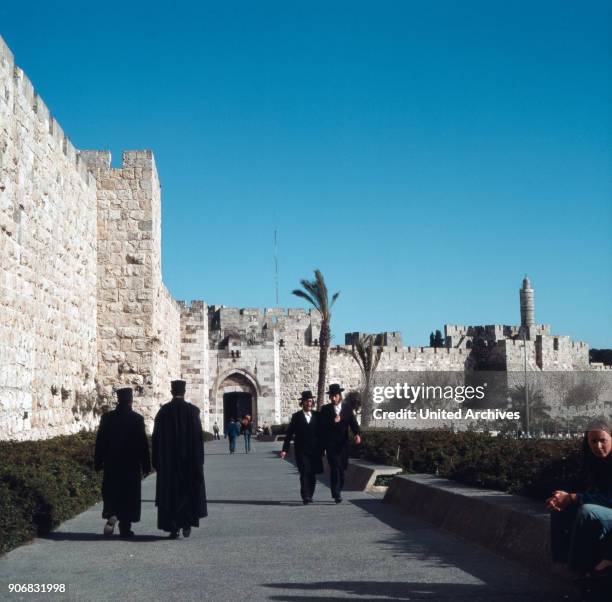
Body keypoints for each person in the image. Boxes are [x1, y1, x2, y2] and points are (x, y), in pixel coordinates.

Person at [547, 419, 612, 576]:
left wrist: (574, 497)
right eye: (593, 441)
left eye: (603, 440)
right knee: (559, 508)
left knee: (587, 511)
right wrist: (559, 498)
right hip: (605, 508)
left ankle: (580, 570)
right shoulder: (592, 461)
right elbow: (579, 486)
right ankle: (562, 562)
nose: (598, 446)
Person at [152, 380, 208, 539]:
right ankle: (187, 523)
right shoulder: (192, 412)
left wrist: (156, 461)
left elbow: (155, 439)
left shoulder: (163, 412)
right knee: (187, 492)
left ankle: (173, 527)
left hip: (168, 464)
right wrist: (199, 461)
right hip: (189, 462)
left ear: (171, 392)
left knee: (170, 495)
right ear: (184, 392)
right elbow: (198, 439)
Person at [94, 387, 151, 538]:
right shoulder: (137, 419)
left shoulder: (107, 418)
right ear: (131, 401)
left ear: (118, 400)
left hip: (112, 463)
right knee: (129, 495)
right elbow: (142, 444)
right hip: (131, 465)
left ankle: (112, 514)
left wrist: (98, 461)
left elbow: (100, 442)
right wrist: (146, 465)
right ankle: (125, 526)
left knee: (112, 491)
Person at [318, 383, 361, 503]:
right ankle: (336, 493)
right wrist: (333, 421)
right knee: (335, 468)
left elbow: (353, 423)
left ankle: (338, 489)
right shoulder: (325, 409)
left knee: (342, 470)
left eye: (335, 396)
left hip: (343, 445)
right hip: (331, 445)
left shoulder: (347, 408)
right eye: (331, 396)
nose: (333, 398)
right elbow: (321, 426)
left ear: (339, 396)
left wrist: (357, 434)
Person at [280, 390, 323, 504]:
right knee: (304, 472)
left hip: (315, 451)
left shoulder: (318, 416)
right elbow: (289, 434)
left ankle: (310, 494)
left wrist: (323, 449)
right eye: (307, 401)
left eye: (310, 401)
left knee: (312, 474)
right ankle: (305, 496)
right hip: (301, 450)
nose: (309, 403)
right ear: (302, 403)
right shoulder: (296, 417)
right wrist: (285, 449)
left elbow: (323, 434)